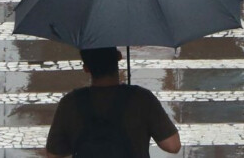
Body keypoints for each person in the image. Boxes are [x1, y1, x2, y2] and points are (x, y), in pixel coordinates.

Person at [46, 47, 181, 157]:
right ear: (118, 57)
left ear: (86, 68)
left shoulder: (70, 103)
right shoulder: (141, 98)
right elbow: (173, 146)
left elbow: (53, 154)